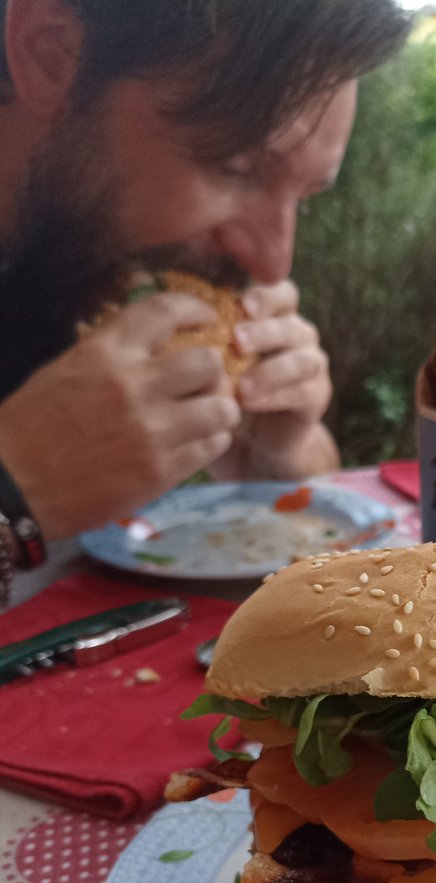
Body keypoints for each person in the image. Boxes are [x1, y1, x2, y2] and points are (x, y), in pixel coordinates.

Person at [0, 0, 411, 588]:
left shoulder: (86, 255)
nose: (274, 265)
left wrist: (273, 463)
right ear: (53, 54)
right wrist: (17, 490)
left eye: (305, 197)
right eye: (236, 169)